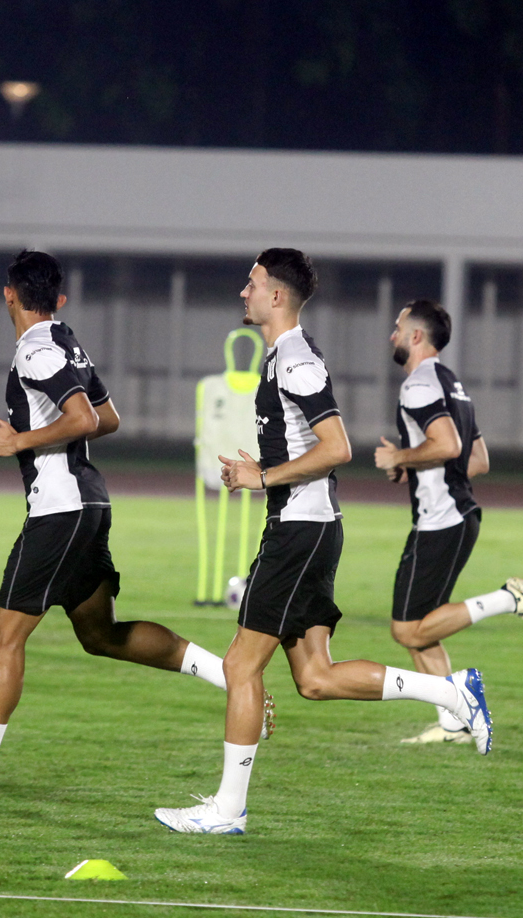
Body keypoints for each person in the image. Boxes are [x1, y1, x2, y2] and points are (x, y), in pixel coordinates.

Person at [154, 249, 493, 836]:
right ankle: (452, 690)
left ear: (277, 296)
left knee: (240, 665)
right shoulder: (280, 358)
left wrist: (262, 477)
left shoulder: (296, 360)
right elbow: (304, 450)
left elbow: (336, 448)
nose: (244, 292)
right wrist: (261, 470)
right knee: (315, 678)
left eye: (253, 283)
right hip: (304, 529)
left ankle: (227, 811)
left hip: (300, 535)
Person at [0, 249, 248, 804]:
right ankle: (229, 673)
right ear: (57, 298)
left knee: (3, 636)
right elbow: (106, 417)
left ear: (9, 295)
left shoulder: (37, 348)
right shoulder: (66, 342)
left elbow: (86, 419)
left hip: (59, 510)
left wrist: (19, 440)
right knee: (99, 635)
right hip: (88, 502)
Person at [373, 300, 523, 745]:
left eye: (398, 328)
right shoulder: (453, 384)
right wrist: (412, 466)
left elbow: (448, 444)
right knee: (422, 631)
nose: (392, 335)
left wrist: (399, 456)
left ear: (417, 336)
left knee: (406, 629)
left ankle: (508, 599)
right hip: (454, 516)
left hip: (441, 522)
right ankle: (453, 722)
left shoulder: (418, 383)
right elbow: (478, 459)